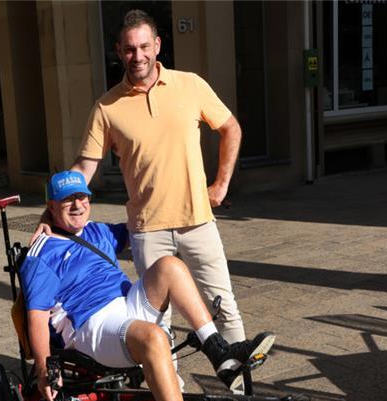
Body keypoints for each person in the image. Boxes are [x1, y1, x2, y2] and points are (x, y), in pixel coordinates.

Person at [37, 10, 249, 378]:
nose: (138, 56)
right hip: (147, 230)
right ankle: (169, 394)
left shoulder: (190, 85)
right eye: (130, 49)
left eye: (144, 47)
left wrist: (221, 184)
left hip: (198, 221)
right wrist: (51, 213)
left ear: (158, 46)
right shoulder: (107, 107)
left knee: (224, 305)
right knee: (157, 319)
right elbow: (84, 168)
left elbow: (231, 128)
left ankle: (242, 389)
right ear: (119, 51)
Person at [21, 171, 275, 401]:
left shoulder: (96, 232)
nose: (77, 205)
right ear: (51, 205)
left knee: (170, 265)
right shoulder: (42, 252)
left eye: (82, 197)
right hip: (92, 325)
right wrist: (43, 367)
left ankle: (219, 350)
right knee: (153, 337)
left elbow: (147, 224)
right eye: (67, 200)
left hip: (127, 305)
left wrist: (194, 200)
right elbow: (36, 315)